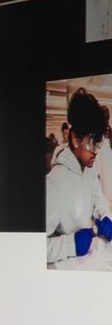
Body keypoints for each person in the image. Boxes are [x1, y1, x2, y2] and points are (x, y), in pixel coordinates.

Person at [46, 87, 112, 265]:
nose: (96, 151)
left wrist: (105, 216)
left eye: (99, 144)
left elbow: (98, 201)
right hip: (67, 270)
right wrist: (70, 244)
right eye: (91, 144)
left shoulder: (89, 168)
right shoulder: (55, 182)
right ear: (75, 139)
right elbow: (32, 246)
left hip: (90, 260)